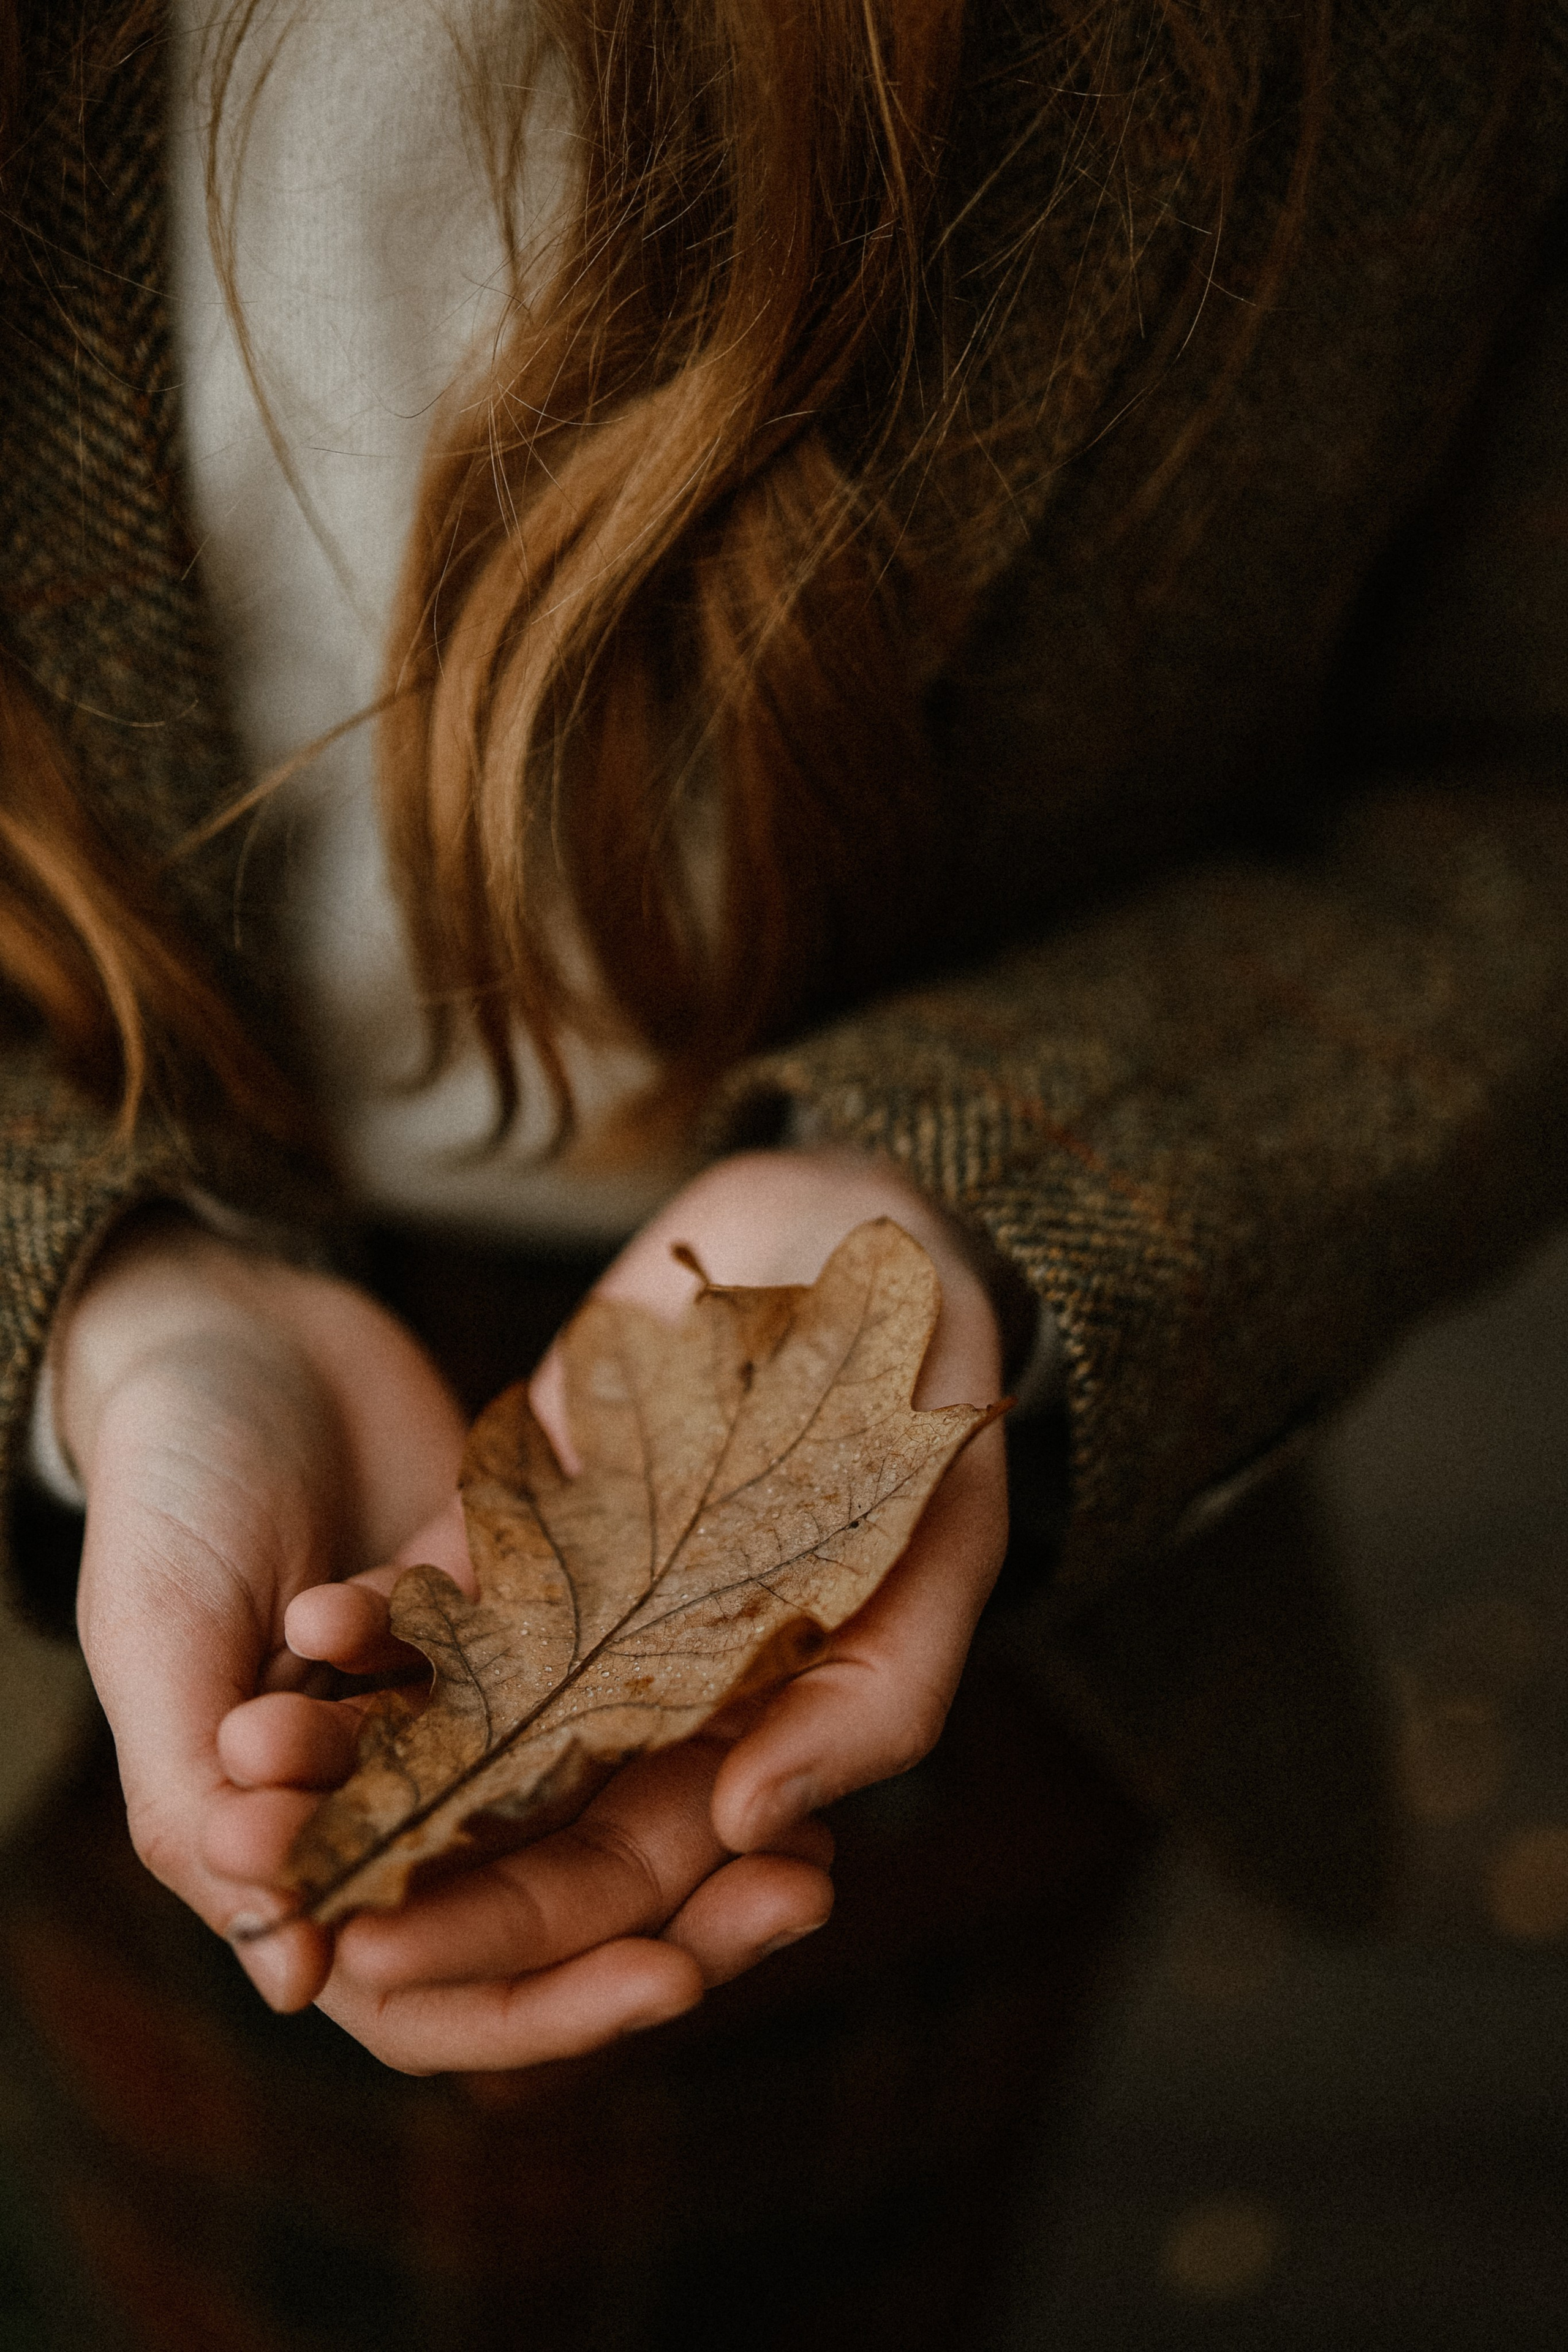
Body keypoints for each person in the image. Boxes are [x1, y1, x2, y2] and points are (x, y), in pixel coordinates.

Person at [2, 0, 1567, 2338]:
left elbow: (1517, 799)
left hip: (1031, 1439)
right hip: (88, 1456)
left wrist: (969, 1214)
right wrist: (95, 1295)